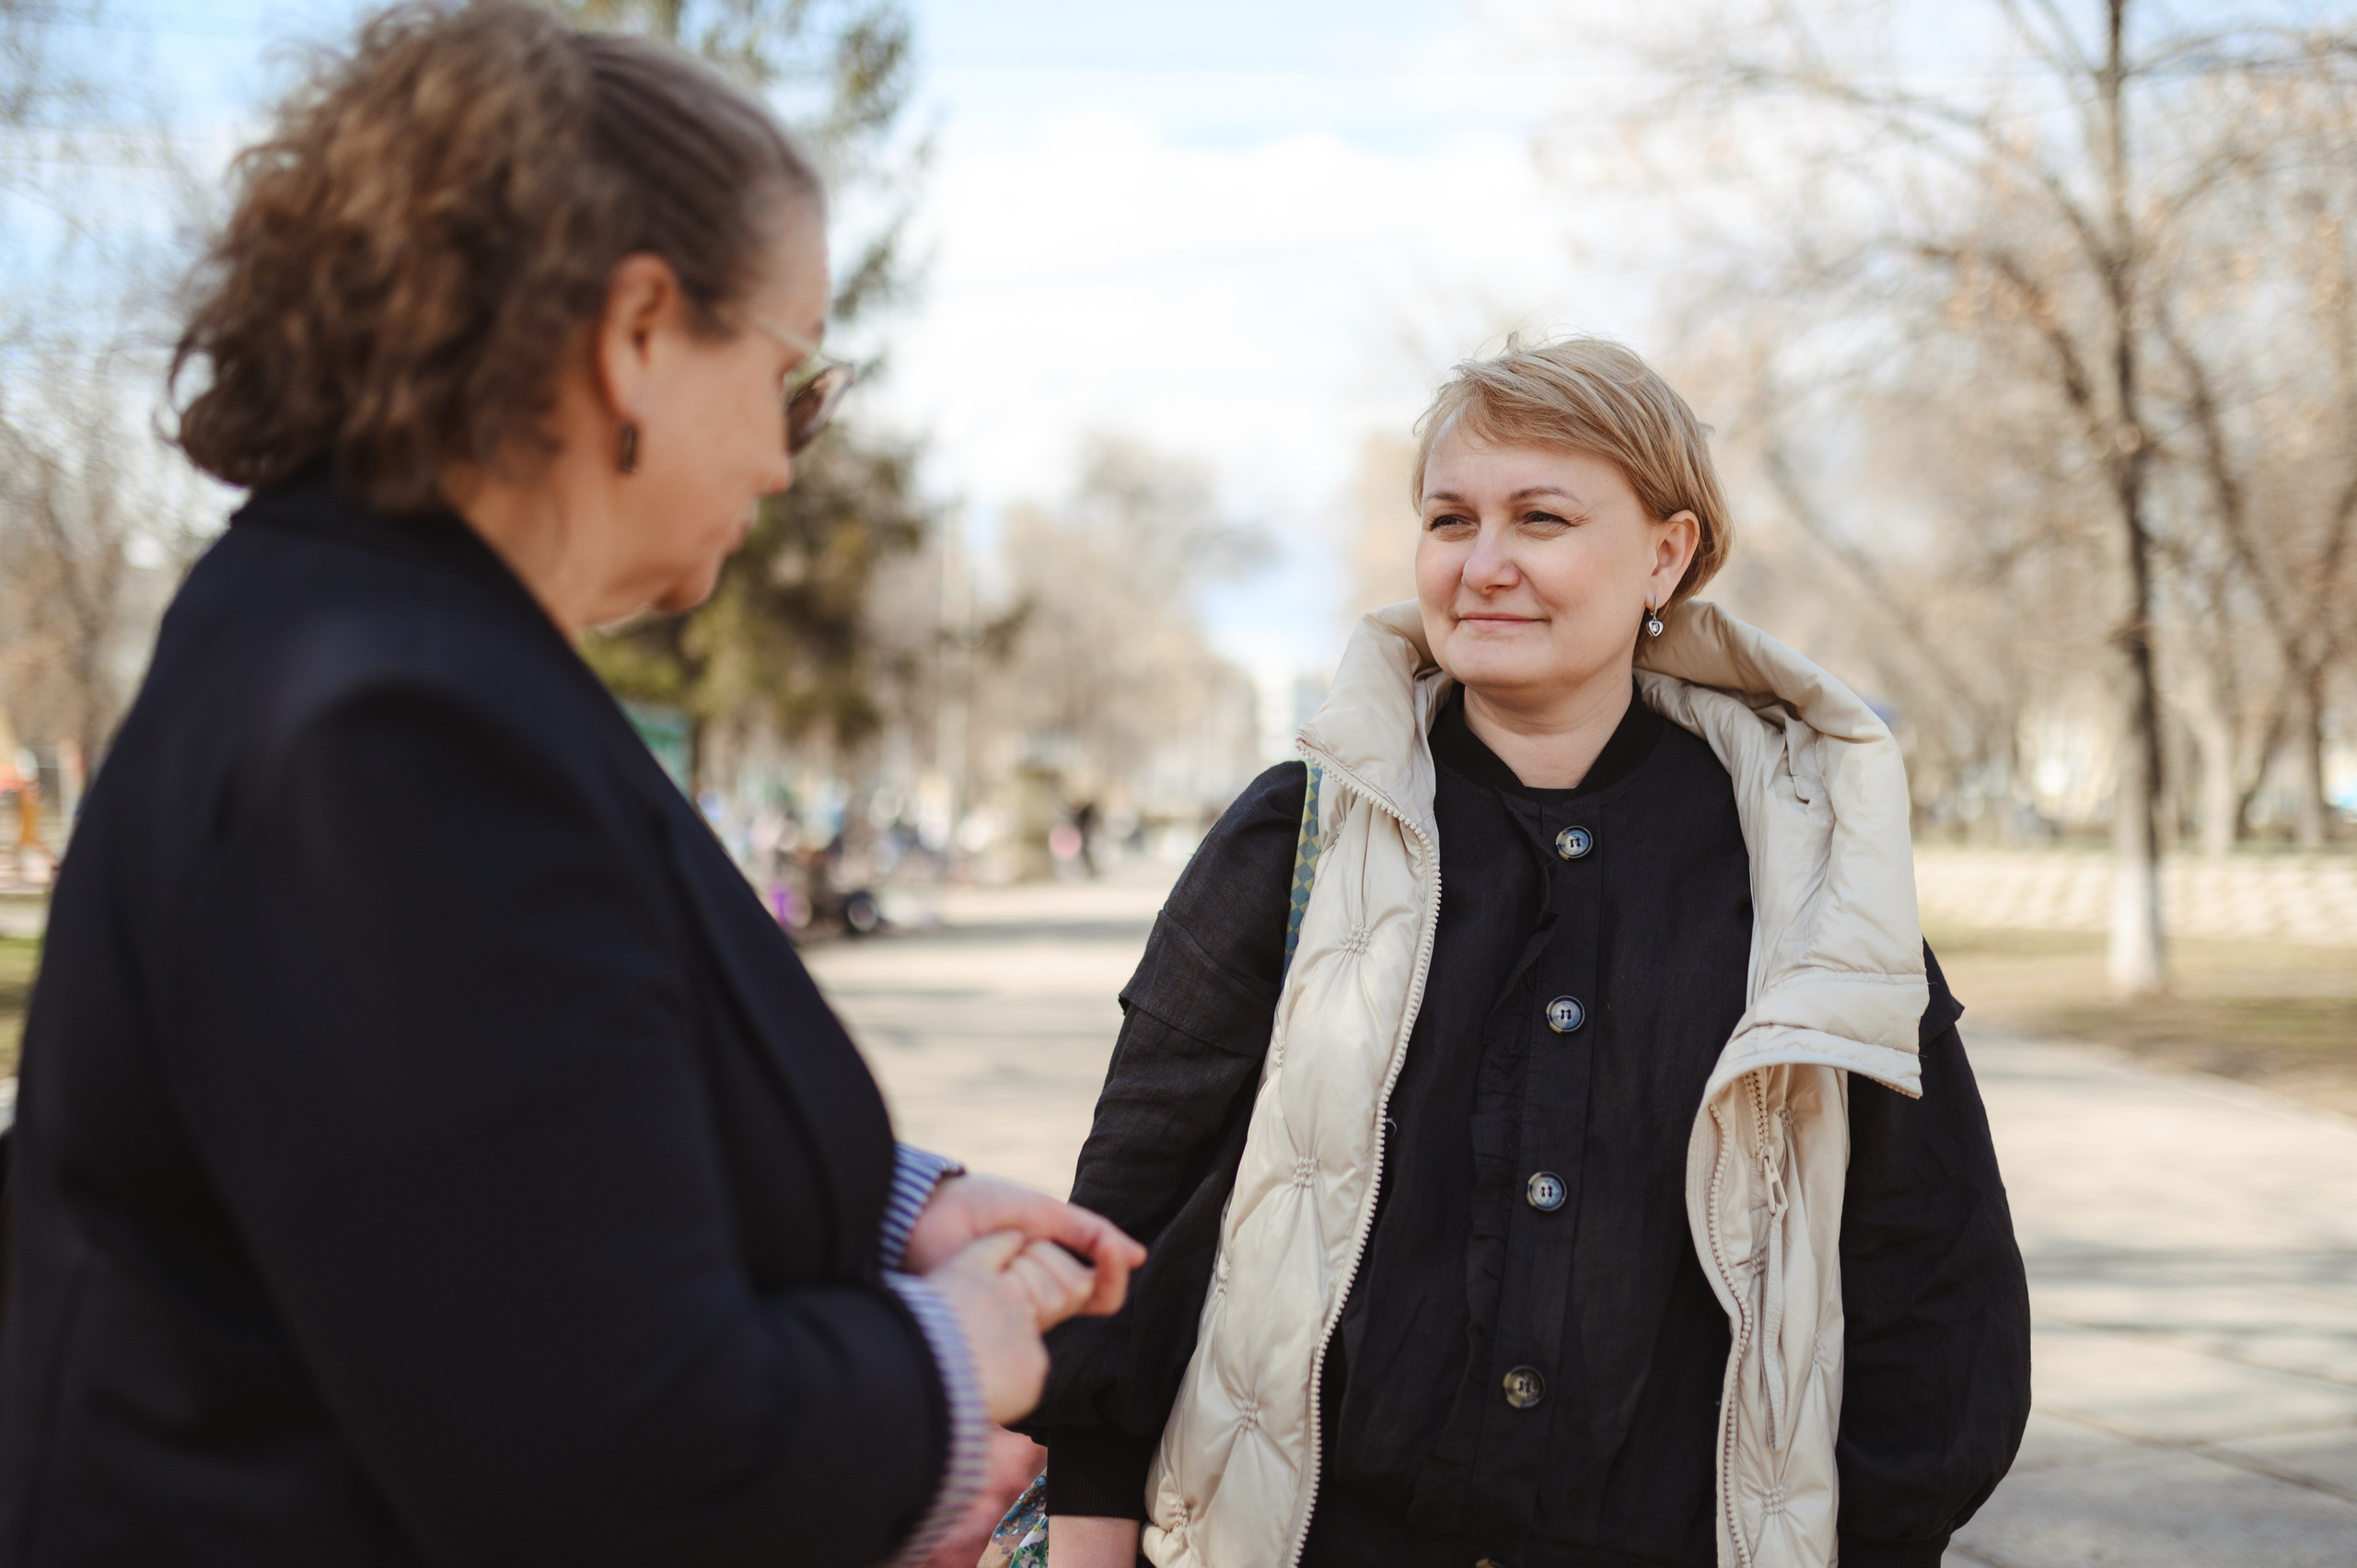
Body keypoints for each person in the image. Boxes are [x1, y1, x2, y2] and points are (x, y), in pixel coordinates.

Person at [0, 6, 1141, 1565]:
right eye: (791, 380)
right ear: (637, 332)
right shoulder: (393, 722)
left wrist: (887, 1209)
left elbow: (487, 1154)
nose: (787, 461)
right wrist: (946, 1363)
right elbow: (612, 1455)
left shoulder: (407, 642)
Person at [1025, 338, 2032, 1568]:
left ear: (1669, 553)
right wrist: (1087, 1535)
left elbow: (1927, 1270)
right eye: (1451, 519)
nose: (1485, 564)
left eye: (1541, 518)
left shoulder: (1803, 869)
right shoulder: (1296, 835)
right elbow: (1128, 1212)